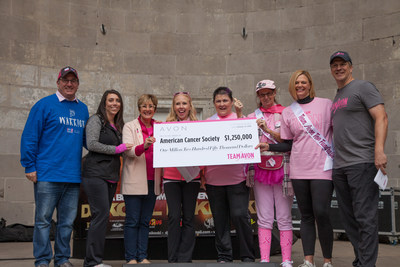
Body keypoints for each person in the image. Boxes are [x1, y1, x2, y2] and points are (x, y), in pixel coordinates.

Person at [20, 66, 89, 267]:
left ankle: (62, 259)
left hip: (73, 177)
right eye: (65, 80)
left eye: (73, 81)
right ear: (58, 82)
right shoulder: (44, 105)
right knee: (43, 221)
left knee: (67, 223)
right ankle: (42, 260)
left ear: (77, 84)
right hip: (47, 175)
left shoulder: (82, 109)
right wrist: (29, 166)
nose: (69, 84)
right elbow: (30, 136)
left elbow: (87, 140)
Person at [329, 51, 388, 267]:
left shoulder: (363, 87)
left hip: (362, 163)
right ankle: (360, 260)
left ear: (351, 67)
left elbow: (381, 116)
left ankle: (366, 264)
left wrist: (379, 150)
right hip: (341, 166)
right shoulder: (338, 97)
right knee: (349, 220)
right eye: (334, 65)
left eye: (342, 64)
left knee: (365, 218)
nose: (338, 68)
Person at [279, 70, 334, 267]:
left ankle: (327, 260)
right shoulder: (287, 112)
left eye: (303, 82)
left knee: (322, 212)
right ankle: (308, 260)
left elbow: (338, 130)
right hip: (299, 169)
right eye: (296, 83)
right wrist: (268, 147)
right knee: (306, 215)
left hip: (323, 167)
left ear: (310, 84)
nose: (299, 86)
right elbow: (287, 144)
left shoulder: (326, 104)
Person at [81, 90, 133, 267]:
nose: (114, 103)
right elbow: (91, 144)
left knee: (102, 217)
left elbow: (127, 149)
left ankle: (95, 260)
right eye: (110, 100)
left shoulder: (119, 125)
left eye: (117, 100)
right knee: (100, 216)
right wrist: (117, 150)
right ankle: (92, 262)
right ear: (104, 103)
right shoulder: (96, 120)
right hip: (95, 175)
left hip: (111, 177)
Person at [204, 87, 255, 263]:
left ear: (232, 102)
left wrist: (240, 115)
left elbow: (247, 139)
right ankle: (224, 256)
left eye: (225, 100)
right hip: (213, 180)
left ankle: (247, 256)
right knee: (220, 220)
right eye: (218, 101)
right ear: (213, 104)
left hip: (237, 180)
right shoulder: (207, 122)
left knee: (241, 216)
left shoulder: (242, 119)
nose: (222, 104)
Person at [248, 80, 294, 267]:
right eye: (262, 94)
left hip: (282, 168)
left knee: (284, 215)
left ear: (275, 93)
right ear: (258, 96)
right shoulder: (252, 116)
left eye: (269, 93)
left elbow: (289, 140)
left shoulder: (285, 113)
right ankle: (265, 258)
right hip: (260, 169)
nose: (265, 97)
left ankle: (287, 259)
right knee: (264, 215)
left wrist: (266, 130)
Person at [121, 94, 162, 264]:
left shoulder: (160, 127)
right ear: (139, 109)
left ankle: (142, 256)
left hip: (153, 181)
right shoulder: (129, 126)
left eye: (151, 106)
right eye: (144, 106)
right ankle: (131, 257)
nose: (148, 109)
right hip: (134, 180)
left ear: (155, 109)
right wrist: (144, 146)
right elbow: (127, 151)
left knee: (145, 222)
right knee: (132, 221)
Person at [163, 92, 201, 262]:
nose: (181, 107)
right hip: (171, 177)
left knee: (188, 218)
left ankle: (185, 259)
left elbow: (205, 152)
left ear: (189, 105)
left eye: (184, 103)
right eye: (178, 104)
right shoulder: (166, 126)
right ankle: (173, 259)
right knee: (173, 217)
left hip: (192, 178)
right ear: (174, 106)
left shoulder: (198, 125)